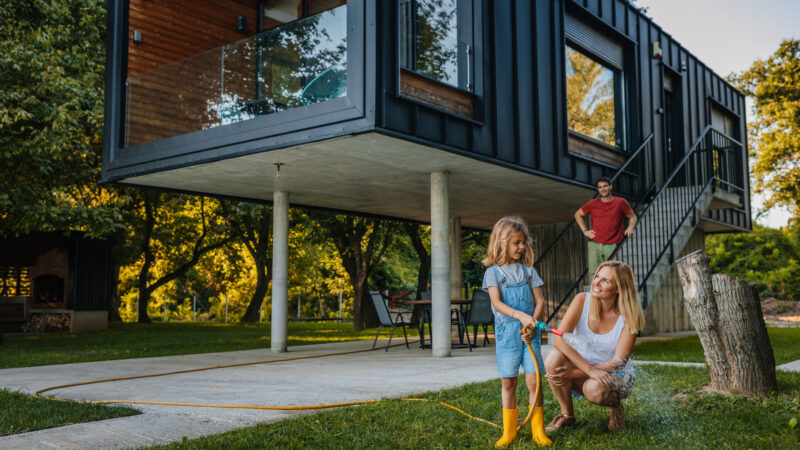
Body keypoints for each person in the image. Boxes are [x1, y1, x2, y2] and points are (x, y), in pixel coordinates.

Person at [543, 261, 645, 432]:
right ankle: (568, 415)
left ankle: (615, 406)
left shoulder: (628, 317)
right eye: (597, 276)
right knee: (554, 358)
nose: (596, 282)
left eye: (605, 280)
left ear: (619, 289)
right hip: (587, 367)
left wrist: (575, 373)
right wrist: (589, 370)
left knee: (594, 390)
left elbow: (618, 361)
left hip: (615, 374)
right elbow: (558, 340)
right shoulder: (582, 300)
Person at [482, 216, 552, 447]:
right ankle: (509, 432)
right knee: (509, 382)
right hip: (507, 334)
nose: (522, 247)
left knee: (534, 382)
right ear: (501, 243)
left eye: (523, 243)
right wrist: (520, 316)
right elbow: (497, 303)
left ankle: (538, 431)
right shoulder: (493, 273)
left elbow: (540, 301)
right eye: (516, 243)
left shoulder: (529, 270)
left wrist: (532, 324)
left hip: (529, 333)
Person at [575, 177, 636, 276]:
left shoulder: (620, 202)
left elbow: (633, 217)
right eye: (600, 187)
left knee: (614, 274)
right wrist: (585, 231)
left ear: (610, 186)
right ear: (598, 189)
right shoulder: (593, 203)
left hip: (613, 245)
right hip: (595, 244)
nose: (602, 189)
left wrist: (630, 227)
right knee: (595, 275)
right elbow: (577, 214)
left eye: (605, 186)